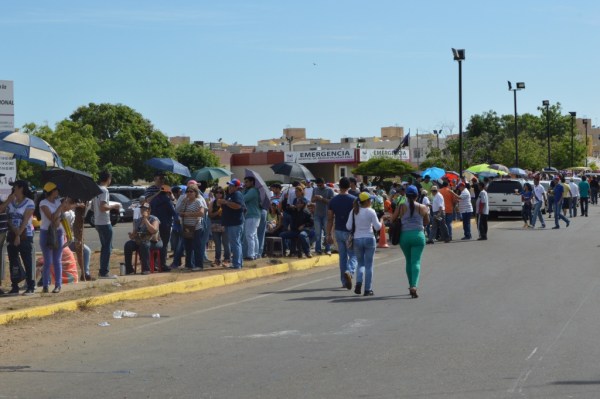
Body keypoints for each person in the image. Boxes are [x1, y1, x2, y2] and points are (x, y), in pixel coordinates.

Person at [392, 185, 429, 299]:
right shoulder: (423, 207)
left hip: (405, 236)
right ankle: (414, 285)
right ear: (417, 196)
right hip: (418, 236)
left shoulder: (401, 206)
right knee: (416, 261)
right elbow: (427, 222)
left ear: (406, 196)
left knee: (408, 261)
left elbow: (393, 219)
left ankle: (410, 285)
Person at [38, 182, 71, 293]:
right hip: (46, 232)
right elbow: (52, 218)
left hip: (58, 232)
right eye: (56, 190)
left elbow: (60, 219)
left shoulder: (57, 201)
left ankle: (58, 285)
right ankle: (45, 285)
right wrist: (60, 207)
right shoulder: (43, 203)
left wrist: (61, 208)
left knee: (57, 260)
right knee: (48, 261)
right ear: (52, 191)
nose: (58, 192)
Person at [346, 192, 382, 296]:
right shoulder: (371, 211)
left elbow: (348, 226)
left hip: (357, 239)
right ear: (366, 201)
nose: (371, 201)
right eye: (370, 200)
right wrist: (382, 221)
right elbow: (377, 227)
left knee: (360, 263)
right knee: (369, 265)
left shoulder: (354, 211)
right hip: (369, 238)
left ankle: (358, 282)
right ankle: (368, 289)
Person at [326, 177, 357, 290]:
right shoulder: (354, 199)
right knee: (353, 255)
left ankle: (344, 282)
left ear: (339, 186)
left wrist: (328, 234)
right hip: (350, 232)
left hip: (338, 230)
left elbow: (330, 219)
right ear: (349, 186)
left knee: (342, 257)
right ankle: (350, 271)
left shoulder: (333, 201)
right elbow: (357, 216)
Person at [5, 181, 35, 295]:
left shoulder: (29, 202)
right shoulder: (11, 202)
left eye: (15, 187)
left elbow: (25, 220)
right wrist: (14, 230)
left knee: (27, 260)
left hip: (25, 235)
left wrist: (18, 235)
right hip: (12, 233)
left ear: (21, 188)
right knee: (13, 261)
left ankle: (30, 285)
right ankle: (15, 285)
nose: (13, 189)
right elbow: (8, 217)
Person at [93, 171, 120, 279]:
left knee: (105, 247)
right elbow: (103, 207)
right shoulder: (104, 190)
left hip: (97, 222)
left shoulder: (97, 189)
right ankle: (104, 272)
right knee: (107, 248)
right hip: (104, 222)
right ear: (108, 179)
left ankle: (103, 271)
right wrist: (114, 206)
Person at [145, 180, 177, 272]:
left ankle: (154, 264)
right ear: (167, 192)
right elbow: (173, 213)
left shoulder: (154, 200)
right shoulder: (167, 200)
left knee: (155, 243)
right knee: (164, 245)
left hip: (155, 224)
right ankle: (162, 264)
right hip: (165, 225)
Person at [123, 203, 162, 275]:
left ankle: (146, 269)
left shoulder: (154, 219)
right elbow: (134, 233)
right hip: (141, 240)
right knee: (128, 245)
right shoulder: (138, 220)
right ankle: (129, 269)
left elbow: (154, 231)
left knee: (144, 245)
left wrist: (146, 220)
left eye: (144, 209)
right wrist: (132, 235)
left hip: (154, 241)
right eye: (141, 209)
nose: (142, 211)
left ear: (149, 210)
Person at [176, 184, 207, 271]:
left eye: (191, 191)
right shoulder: (185, 202)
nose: (189, 193)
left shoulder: (198, 201)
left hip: (196, 228)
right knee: (188, 247)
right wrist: (183, 204)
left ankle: (199, 265)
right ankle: (189, 265)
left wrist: (188, 214)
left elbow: (201, 213)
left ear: (195, 193)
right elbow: (179, 211)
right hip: (186, 228)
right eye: (187, 192)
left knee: (197, 247)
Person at [279, 188, 314, 258]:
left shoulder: (306, 212)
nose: (297, 204)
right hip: (294, 230)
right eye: (297, 203)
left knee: (302, 235)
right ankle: (284, 251)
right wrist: (286, 199)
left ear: (303, 204)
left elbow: (311, 223)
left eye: (299, 203)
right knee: (281, 235)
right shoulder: (293, 211)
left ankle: (307, 252)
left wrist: (303, 225)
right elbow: (286, 209)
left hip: (304, 230)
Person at [63, 202, 93, 281]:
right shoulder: (64, 212)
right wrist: (77, 205)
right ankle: (43, 279)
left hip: (70, 238)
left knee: (85, 250)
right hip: (62, 239)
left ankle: (85, 273)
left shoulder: (72, 213)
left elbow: (74, 227)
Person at [219, 179, 245, 269]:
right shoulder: (230, 194)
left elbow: (238, 206)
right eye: (229, 185)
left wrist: (226, 202)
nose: (230, 187)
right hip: (231, 222)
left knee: (235, 243)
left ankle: (237, 264)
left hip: (235, 223)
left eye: (232, 186)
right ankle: (238, 263)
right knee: (236, 243)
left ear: (237, 187)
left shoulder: (237, 194)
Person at [311, 177, 334, 255]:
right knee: (318, 233)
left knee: (327, 232)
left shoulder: (329, 190)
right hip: (317, 214)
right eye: (318, 185)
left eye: (320, 185)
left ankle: (328, 249)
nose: (319, 187)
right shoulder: (315, 189)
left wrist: (322, 199)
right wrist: (315, 198)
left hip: (326, 214)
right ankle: (318, 249)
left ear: (324, 183)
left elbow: (331, 202)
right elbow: (312, 200)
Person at [208, 187, 230, 267]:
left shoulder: (226, 202)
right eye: (217, 192)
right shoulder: (212, 203)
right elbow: (210, 215)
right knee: (217, 243)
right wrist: (217, 212)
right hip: (215, 224)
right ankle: (217, 260)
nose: (218, 194)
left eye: (220, 192)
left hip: (224, 224)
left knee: (226, 243)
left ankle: (227, 259)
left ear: (223, 194)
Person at [242, 176, 261, 261]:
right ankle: (255, 253)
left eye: (246, 182)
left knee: (249, 235)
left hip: (252, 215)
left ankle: (251, 254)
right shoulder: (249, 190)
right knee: (254, 236)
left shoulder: (253, 191)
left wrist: (242, 191)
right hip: (253, 215)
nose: (245, 184)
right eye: (245, 182)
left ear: (252, 182)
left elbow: (243, 199)